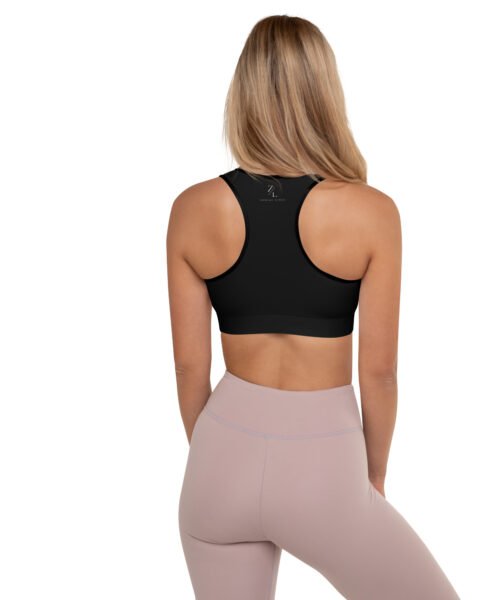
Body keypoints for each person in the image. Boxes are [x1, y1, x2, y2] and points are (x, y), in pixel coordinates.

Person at [166, 14, 460, 600]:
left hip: (217, 462)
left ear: (243, 94)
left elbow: (188, 370)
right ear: (325, 94)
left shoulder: (192, 208)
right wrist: (371, 479)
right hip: (324, 462)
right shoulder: (371, 212)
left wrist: (222, 458)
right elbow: (379, 373)